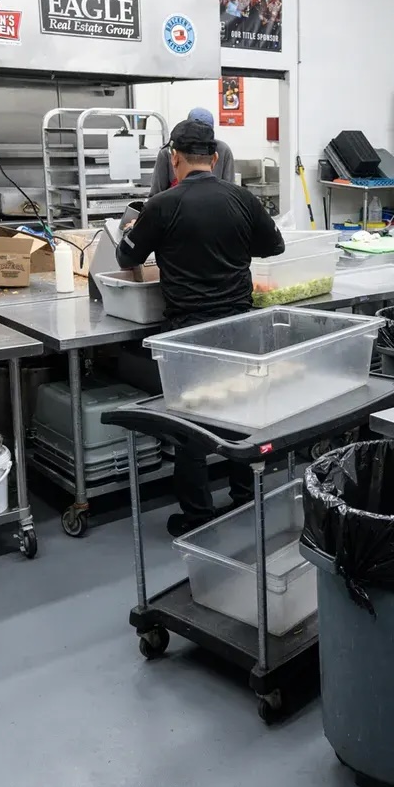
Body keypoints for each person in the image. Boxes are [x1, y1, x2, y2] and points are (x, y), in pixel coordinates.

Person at [117, 118, 285, 536]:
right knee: (243, 412)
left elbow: (127, 259)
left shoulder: (162, 205)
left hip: (189, 332)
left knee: (190, 423)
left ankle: (198, 516)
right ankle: (246, 494)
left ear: (173, 157)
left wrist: (131, 232)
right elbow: (273, 246)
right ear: (213, 157)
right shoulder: (243, 198)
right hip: (240, 325)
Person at [149, 107, 237, 196]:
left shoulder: (223, 150)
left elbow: (230, 191)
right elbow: (156, 193)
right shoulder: (168, 152)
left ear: (214, 158)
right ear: (175, 157)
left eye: (206, 133)